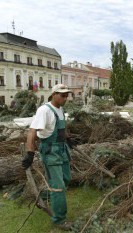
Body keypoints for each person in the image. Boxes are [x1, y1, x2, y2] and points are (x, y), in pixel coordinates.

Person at [22, 84, 73, 231]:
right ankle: (59, 220)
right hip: (50, 152)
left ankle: (45, 195)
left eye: (66, 95)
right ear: (54, 94)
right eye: (62, 95)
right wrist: (30, 153)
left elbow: (62, 127)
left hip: (62, 150)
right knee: (58, 187)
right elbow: (32, 132)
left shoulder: (60, 109)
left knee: (66, 179)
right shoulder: (44, 110)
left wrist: (68, 138)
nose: (65, 98)